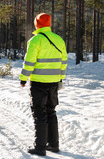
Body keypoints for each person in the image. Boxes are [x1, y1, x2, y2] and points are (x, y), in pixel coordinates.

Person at [20, 13, 68, 156]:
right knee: (51, 112)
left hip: (39, 83)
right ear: (49, 24)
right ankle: (53, 145)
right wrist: (60, 77)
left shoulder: (36, 40)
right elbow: (63, 61)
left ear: (37, 24)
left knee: (39, 113)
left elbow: (29, 62)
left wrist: (23, 78)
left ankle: (40, 147)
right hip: (54, 82)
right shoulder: (59, 39)